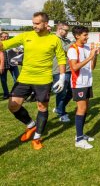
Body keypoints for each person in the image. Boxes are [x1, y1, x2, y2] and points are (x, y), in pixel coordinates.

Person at [0, 12, 66, 150]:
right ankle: (31, 125)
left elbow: (61, 58)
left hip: (43, 80)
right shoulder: (26, 36)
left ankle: (37, 137)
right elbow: (4, 45)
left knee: (42, 108)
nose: (34, 26)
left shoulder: (54, 40)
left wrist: (62, 77)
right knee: (13, 106)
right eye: (33, 23)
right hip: (24, 78)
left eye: (37, 23)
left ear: (46, 24)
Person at [68, 26, 100, 149]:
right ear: (77, 36)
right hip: (78, 84)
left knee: (85, 109)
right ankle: (79, 140)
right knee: (81, 109)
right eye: (85, 35)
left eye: (87, 35)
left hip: (87, 82)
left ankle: (81, 135)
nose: (87, 37)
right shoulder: (72, 49)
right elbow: (74, 67)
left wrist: (95, 56)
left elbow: (92, 67)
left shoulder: (87, 47)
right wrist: (90, 57)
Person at [52, 22, 72, 122]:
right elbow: (64, 50)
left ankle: (59, 108)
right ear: (59, 29)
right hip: (59, 70)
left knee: (72, 91)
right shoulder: (53, 39)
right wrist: (73, 45)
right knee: (62, 92)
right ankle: (62, 114)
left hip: (69, 68)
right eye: (66, 30)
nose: (67, 32)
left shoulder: (67, 40)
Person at [0, 32, 20, 99]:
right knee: (3, 80)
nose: (6, 37)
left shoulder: (12, 43)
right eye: (5, 36)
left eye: (7, 36)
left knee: (17, 79)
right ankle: (6, 94)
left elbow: (18, 51)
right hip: (3, 65)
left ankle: (15, 93)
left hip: (13, 64)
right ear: (1, 37)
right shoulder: (0, 44)